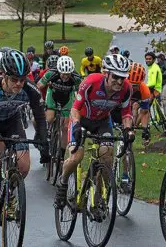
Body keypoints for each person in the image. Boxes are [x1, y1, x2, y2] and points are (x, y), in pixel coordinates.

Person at [0, 49, 49, 233]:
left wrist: (43, 138)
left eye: (22, 79)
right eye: (14, 79)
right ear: (4, 75)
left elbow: (40, 115)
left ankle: (11, 195)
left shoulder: (30, 89)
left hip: (13, 123)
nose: (19, 84)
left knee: (23, 166)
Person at [54, 54, 135, 209]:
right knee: (77, 156)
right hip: (81, 119)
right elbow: (75, 108)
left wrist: (127, 129)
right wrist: (76, 125)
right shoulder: (91, 82)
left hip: (102, 122)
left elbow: (126, 113)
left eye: (122, 78)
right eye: (116, 77)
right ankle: (63, 182)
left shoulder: (126, 89)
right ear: (106, 73)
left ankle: (97, 200)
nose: (119, 81)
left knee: (107, 156)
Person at [37, 56, 82, 155]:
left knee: (65, 128)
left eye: (68, 74)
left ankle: (61, 154)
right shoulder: (51, 73)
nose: (65, 76)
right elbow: (39, 86)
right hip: (52, 95)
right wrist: (39, 99)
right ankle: (46, 134)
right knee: (49, 118)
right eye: (63, 74)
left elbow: (79, 94)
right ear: (58, 70)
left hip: (67, 98)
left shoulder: (76, 78)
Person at [128, 62, 153, 145]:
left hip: (139, 99)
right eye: (131, 84)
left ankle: (137, 127)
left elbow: (144, 112)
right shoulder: (120, 85)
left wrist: (144, 129)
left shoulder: (145, 90)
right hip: (126, 101)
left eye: (135, 85)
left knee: (137, 107)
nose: (133, 88)